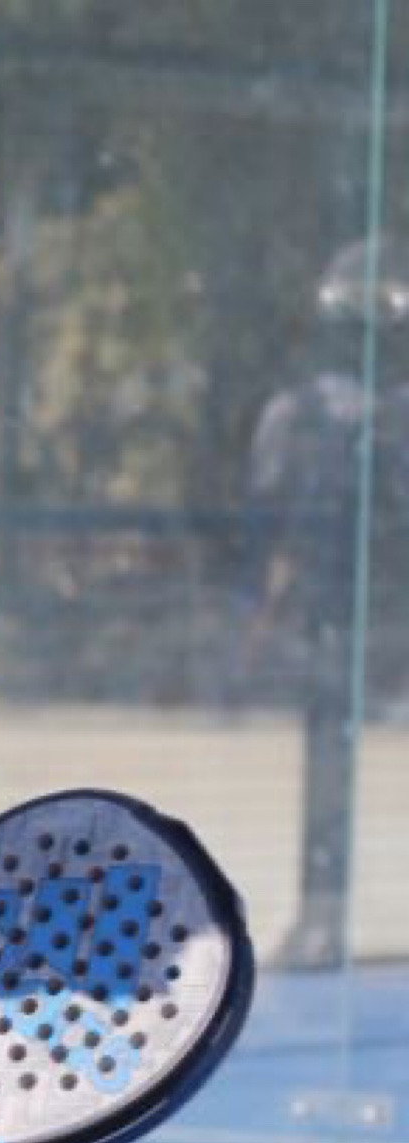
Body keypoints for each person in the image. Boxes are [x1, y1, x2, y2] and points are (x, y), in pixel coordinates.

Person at [244, 236, 409, 969]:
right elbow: (278, 533)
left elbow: (272, 531)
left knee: (328, 765)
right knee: (327, 764)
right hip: (341, 615)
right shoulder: (296, 415)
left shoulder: (294, 415)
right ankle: (319, 915)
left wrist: (264, 610)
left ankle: (320, 917)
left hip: (345, 615)